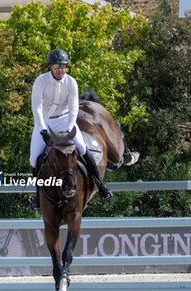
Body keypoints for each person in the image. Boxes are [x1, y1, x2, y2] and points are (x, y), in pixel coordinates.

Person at [29, 49, 139, 209]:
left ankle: (101, 184)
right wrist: (43, 130)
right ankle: (38, 195)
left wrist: (68, 129)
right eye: (57, 66)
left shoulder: (71, 82)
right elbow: (37, 108)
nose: (61, 69)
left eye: (64, 66)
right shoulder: (40, 81)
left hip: (66, 120)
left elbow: (74, 109)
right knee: (34, 158)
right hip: (44, 123)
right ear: (50, 67)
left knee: (82, 148)